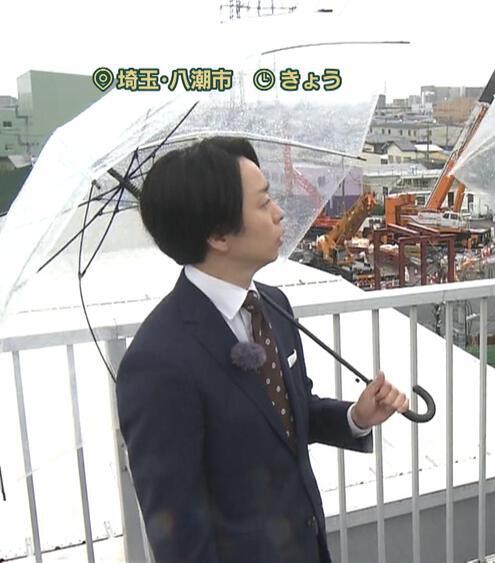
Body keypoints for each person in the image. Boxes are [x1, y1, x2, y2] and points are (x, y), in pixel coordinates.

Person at [117, 136, 409, 563]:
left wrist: (355, 417)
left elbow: (289, 414)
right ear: (218, 235)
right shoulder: (158, 362)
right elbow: (178, 537)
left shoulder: (272, 303)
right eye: (263, 202)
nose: (279, 212)